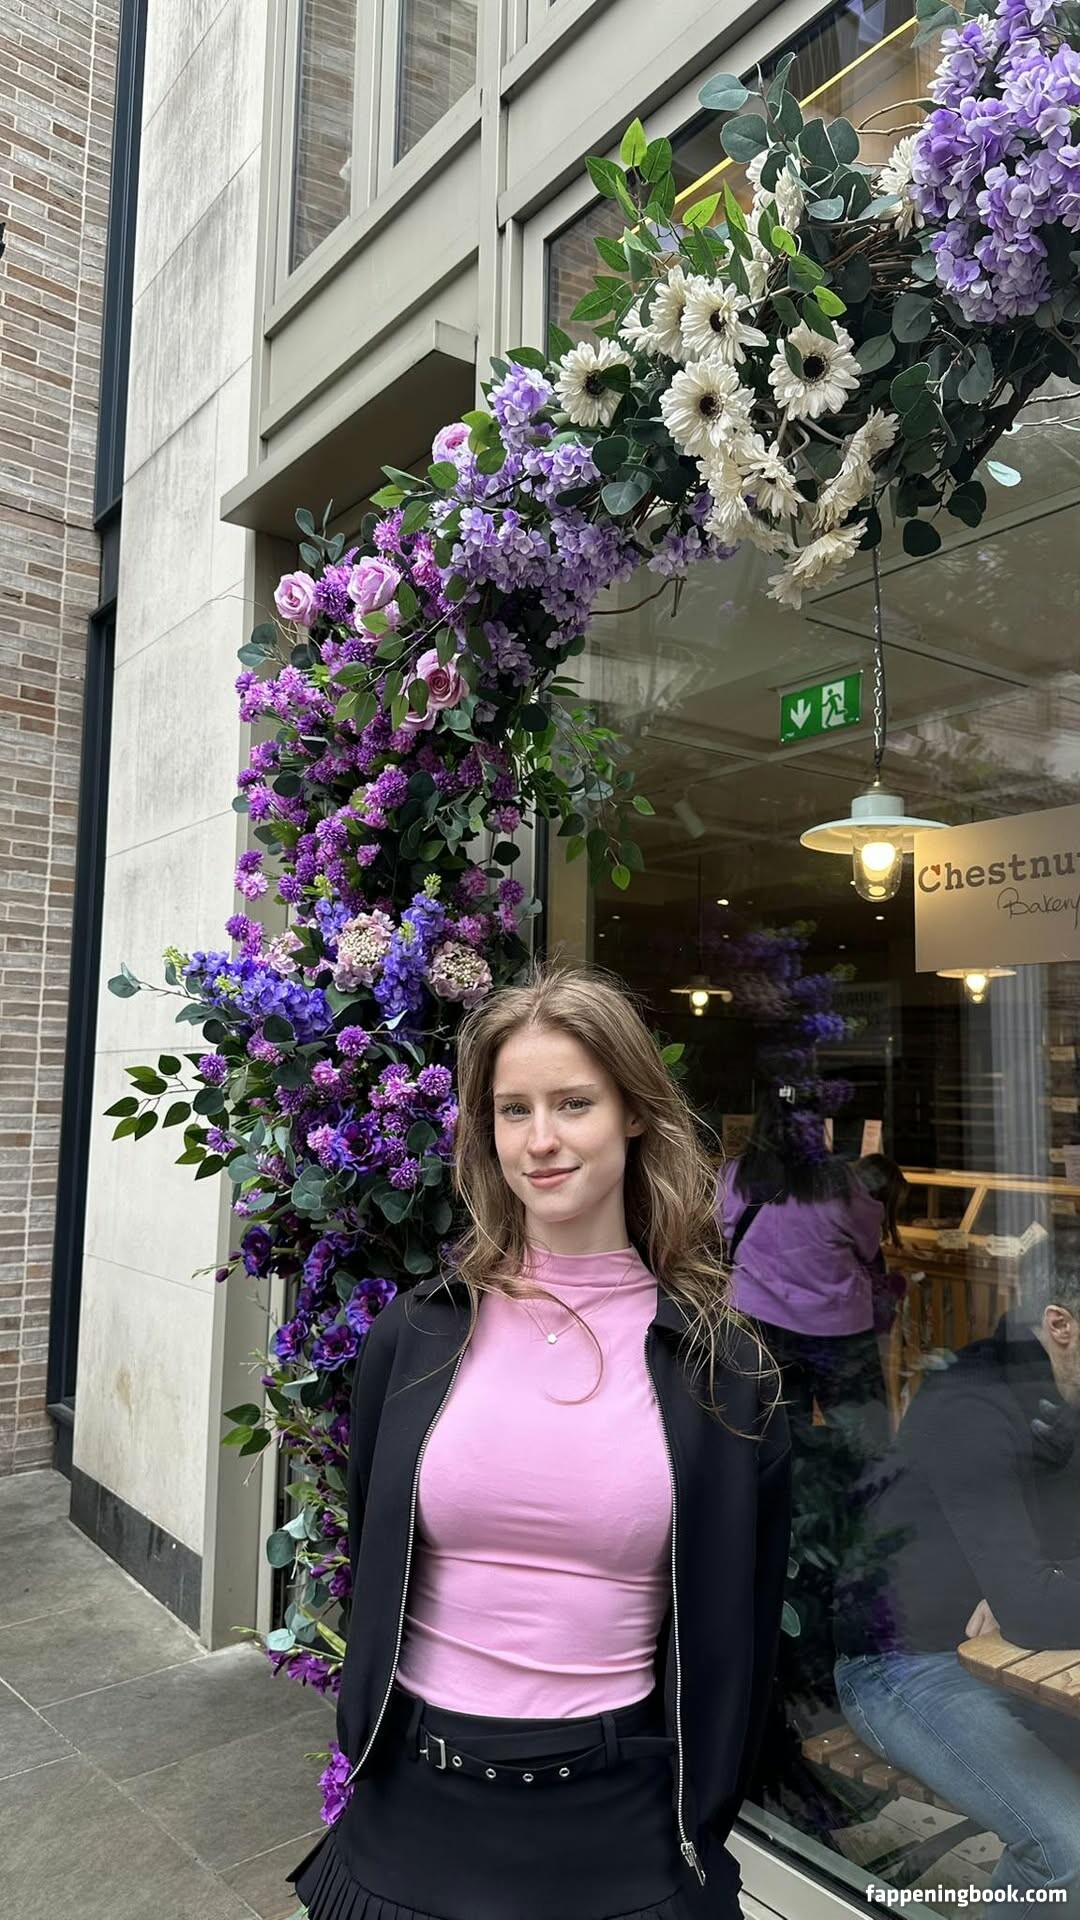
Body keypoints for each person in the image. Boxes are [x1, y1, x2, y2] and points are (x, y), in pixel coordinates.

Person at [289, 967, 791, 1920]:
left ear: (633, 1112)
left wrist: (702, 1812)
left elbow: (744, 1627)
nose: (541, 1140)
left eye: (573, 1103)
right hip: (407, 1822)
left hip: (621, 1832)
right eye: (512, 1110)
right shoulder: (418, 1334)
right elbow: (373, 1550)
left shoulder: (722, 1371)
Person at [833, 1228, 1080, 1903]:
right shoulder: (971, 1405)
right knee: (1068, 1852)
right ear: (1060, 1326)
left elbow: (1033, 1599)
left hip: (1017, 1660)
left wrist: (1045, 1583)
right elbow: (1032, 1608)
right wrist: (1034, 1592)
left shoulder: (1062, 1398)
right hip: (904, 1664)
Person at [717, 1089, 890, 1469]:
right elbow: (868, 1242)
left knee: (775, 1446)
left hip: (759, 1326)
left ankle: (788, 1506)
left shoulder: (735, 1176)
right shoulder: (839, 1183)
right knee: (865, 1445)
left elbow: (720, 1233)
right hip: (839, 1330)